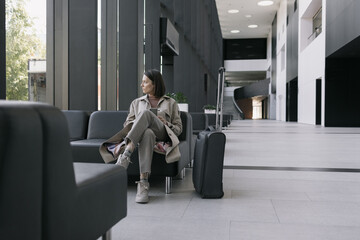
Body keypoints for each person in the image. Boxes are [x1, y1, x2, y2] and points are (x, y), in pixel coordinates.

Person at [100, 69, 182, 204]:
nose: (141, 85)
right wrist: (140, 123)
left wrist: (166, 123)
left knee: (146, 114)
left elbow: (178, 129)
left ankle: (126, 153)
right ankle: (143, 184)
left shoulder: (171, 103)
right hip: (144, 136)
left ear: (154, 84)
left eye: (145, 82)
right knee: (147, 133)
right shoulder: (136, 102)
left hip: (162, 134)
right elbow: (127, 124)